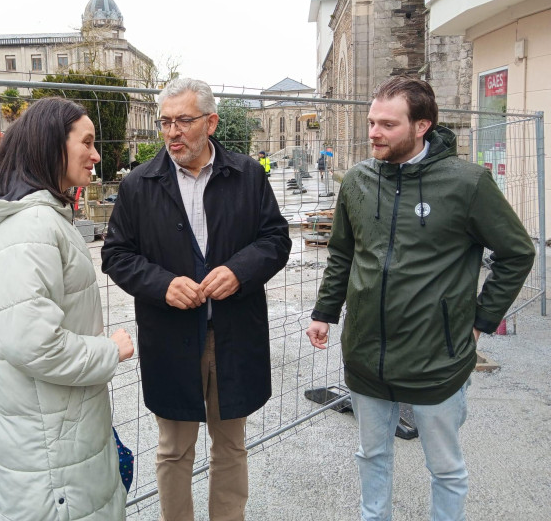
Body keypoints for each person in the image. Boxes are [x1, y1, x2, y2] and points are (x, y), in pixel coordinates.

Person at [306, 76, 535, 521]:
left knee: (445, 468)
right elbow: (342, 253)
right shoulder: (356, 180)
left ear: (422, 125)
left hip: (438, 359)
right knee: (372, 456)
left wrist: (481, 319)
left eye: (387, 125)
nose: (373, 132)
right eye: (372, 122)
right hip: (367, 354)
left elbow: (517, 251)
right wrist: (325, 313)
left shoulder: (467, 183)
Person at [102, 78, 291, 520]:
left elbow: (275, 239)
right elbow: (116, 254)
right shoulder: (139, 185)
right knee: (173, 449)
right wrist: (162, 284)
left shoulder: (247, 175)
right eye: (165, 122)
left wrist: (240, 271)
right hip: (170, 336)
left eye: (184, 121)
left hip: (233, 334)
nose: (173, 132)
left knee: (230, 446)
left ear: (211, 122)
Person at [0, 97, 134, 520]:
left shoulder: (44, 218)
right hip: (52, 453)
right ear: (51, 144)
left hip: (57, 432)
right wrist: (110, 350)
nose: (96, 155)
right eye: (87, 143)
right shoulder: (29, 228)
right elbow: (33, 343)